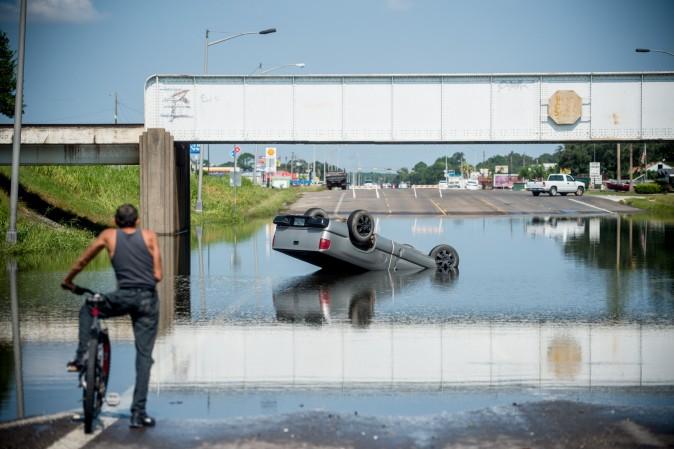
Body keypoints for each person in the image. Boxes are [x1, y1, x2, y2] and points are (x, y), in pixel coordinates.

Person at [62, 203, 162, 428]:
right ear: (137, 221)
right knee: (144, 357)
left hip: (122, 298)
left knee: (90, 308)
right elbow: (158, 274)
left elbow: (82, 260)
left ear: (115, 221)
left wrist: (68, 280)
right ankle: (138, 414)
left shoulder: (108, 236)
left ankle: (80, 357)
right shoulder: (149, 236)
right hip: (147, 300)